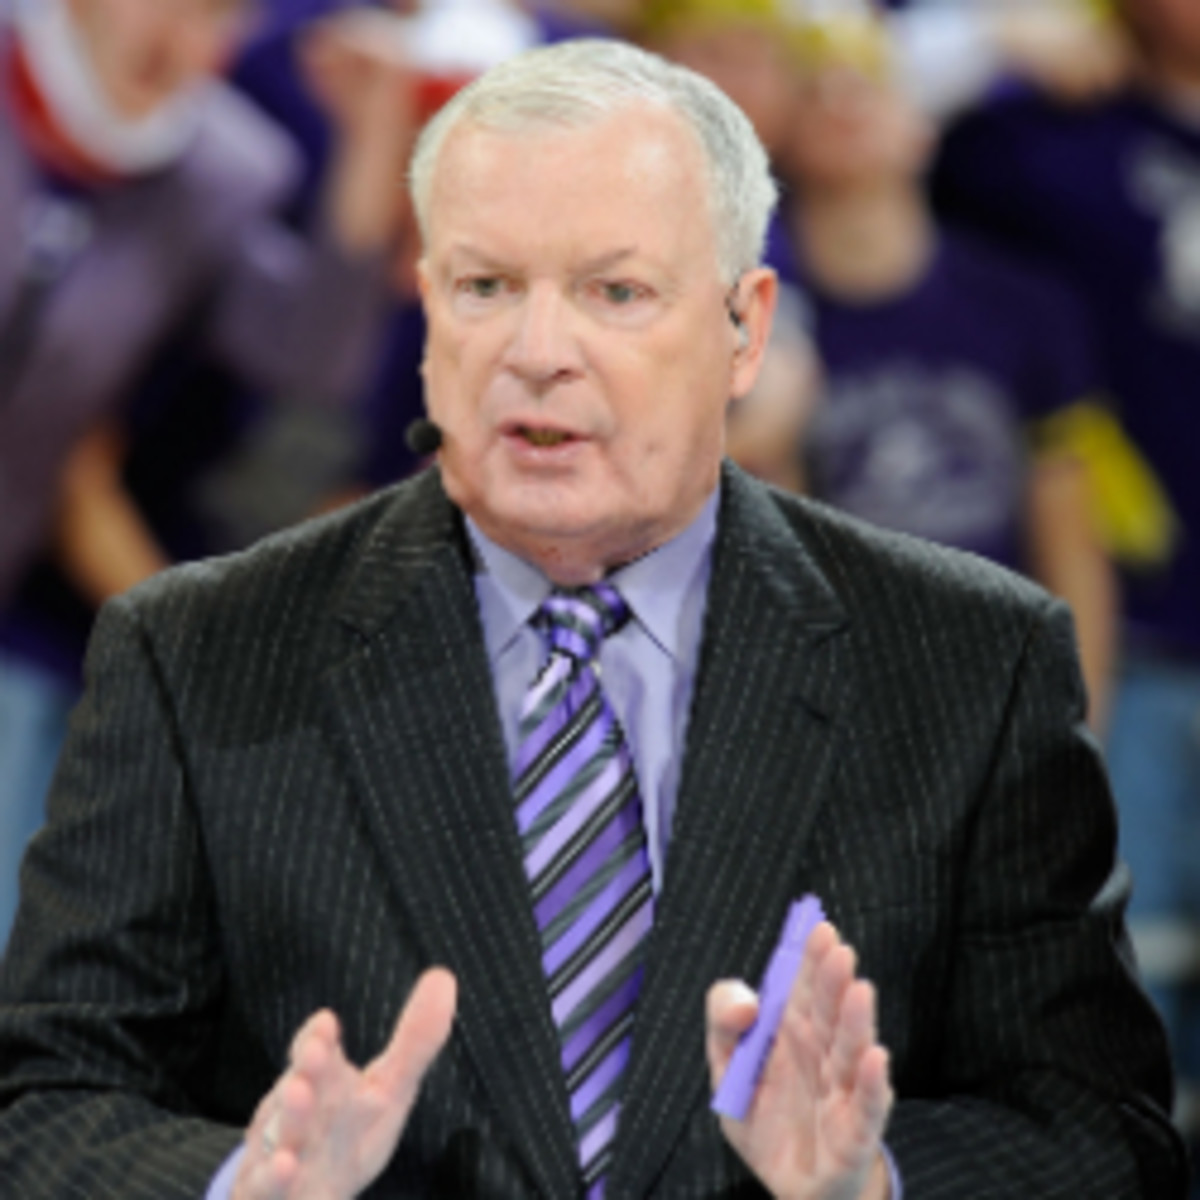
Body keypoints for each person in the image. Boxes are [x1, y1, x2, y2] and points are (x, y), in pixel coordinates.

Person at [0, 37, 1188, 1200]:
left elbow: (1102, 1134)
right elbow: (44, 1102)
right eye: (485, 287)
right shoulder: (192, 653)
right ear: (425, 318)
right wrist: (230, 1183)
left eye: (615, 292)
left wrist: (867, 1179)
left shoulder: (972, 663)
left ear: (745, 328)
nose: (537, 352)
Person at [0, 0, 416, 944]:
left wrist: (370, 140)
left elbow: (312, 357)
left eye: (217, 17)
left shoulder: (218, 170)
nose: (185, 43)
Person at [932, 0, 1200, 1156]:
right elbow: (829, 140)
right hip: (1139, 630)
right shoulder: (1043, 139)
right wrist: (974, 43)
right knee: (1121, 981)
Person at [775, 7, 1117, 730]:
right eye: (815, 91)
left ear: (923, 120)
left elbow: (1070, 532)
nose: (843, 105)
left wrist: (1081, 726)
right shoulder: (763, 319)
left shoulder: (1026, 304)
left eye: (868, 85)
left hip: (1002, 693)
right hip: (842, 708)